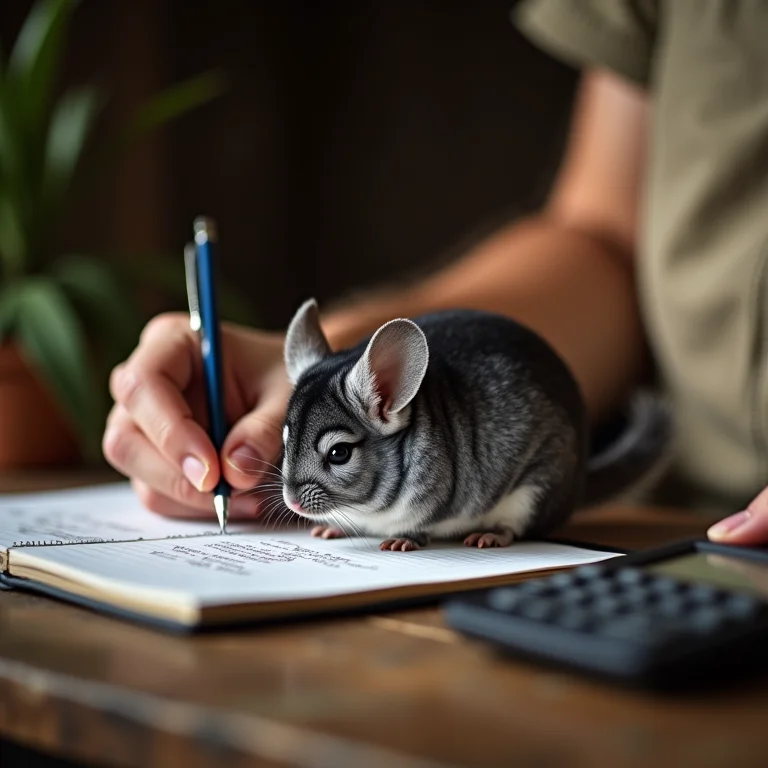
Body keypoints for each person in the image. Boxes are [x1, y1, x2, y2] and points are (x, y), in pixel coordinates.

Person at [102, 0, 768, 546]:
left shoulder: (418, 468)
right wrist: (325, 354)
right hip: (672, 524)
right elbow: (605, 236)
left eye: (329, 455)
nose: (292, 485)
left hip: (692, 525)